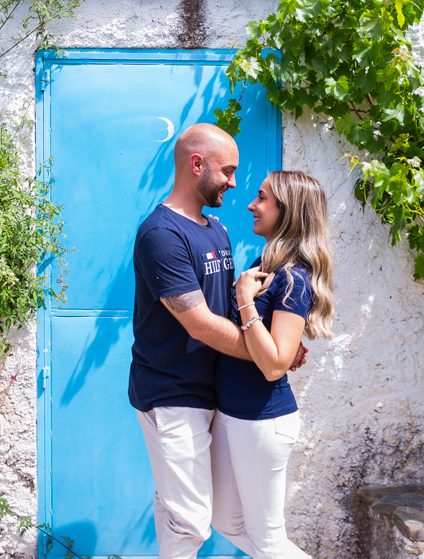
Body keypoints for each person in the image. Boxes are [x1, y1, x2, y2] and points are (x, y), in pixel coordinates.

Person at [130, 123, 306, 559]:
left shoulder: (216, 231)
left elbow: (232, 310)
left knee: (199, 513)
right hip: (172, 391)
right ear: (197, 164)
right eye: (227, 171)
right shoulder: (161, 235)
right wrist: (271, 357)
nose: (233, 182)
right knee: (189, 521)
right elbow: (201, 324)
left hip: (218, 393)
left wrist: (281, 345)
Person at [211, 171, 335, 559]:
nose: (251, 204)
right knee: (227, 522)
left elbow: (274, 365)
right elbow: (273, 346)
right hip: (234, 412)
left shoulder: (295, 277)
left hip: (262, 420)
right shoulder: (268, 261)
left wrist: (245, 299)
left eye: (262, 198)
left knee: (268, 540)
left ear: (289, 211)